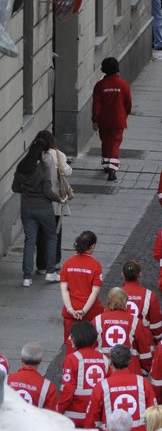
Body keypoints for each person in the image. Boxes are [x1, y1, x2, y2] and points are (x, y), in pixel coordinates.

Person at [11, 136, 61, 287]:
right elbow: (47, 191)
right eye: (46, 153)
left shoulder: (21, 166)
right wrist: (59, 199)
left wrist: (27, 191)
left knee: (29, 241)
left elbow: (15, 188)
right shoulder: (43, 167)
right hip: (44, 208)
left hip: (27, 209)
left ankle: (27, 277)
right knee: (52, 238)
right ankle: (51, 272)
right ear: (42, 153)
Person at [34, 128, 72, 271]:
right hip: (55, 200)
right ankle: (55, 261)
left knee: (40, 233)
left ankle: (41, 264)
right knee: (55, 231)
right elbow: (68, 171)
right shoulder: (58, 154)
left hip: (38, 200)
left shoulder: (34, 155)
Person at [91, 57, 133, 181]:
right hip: (118, 120)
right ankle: (113, 169)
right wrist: (126, 114)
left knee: (105, 141)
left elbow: (96, 105)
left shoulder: (100, 85)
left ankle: (106, 163)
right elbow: (128, 103)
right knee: (115, 143)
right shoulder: (123, 85)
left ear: (103, 69)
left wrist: (95, 120)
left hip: (104, 120)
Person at [60, 230, 103, 345]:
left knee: (71, 346)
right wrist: (84, 311)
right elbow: (95, 292)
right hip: (90, 313)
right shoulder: (95, 265)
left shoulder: (68, 263)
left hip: (71, 313)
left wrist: (70, 309)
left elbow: (64, 290)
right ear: (92, 246)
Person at [6, 341, 58, 410]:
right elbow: (51, 415)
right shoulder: (48, 387)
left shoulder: (6, 380)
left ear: (21, 358)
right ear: (40, 361)